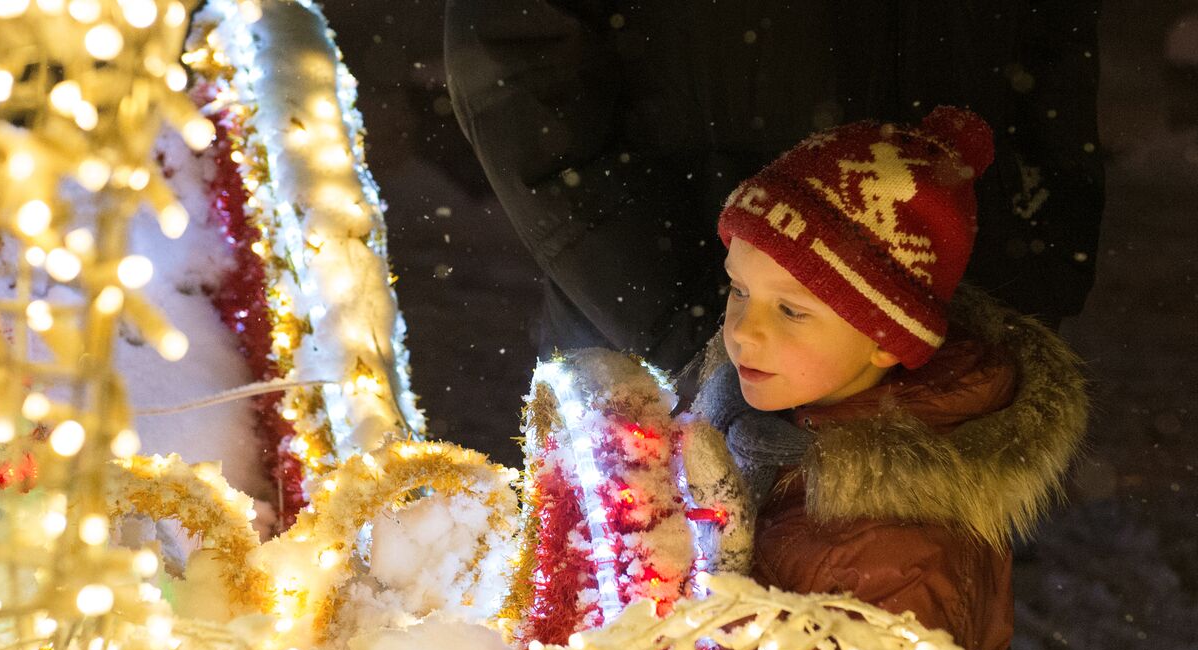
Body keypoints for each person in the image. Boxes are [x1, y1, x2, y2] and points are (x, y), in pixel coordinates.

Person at [444, 0, 1104, 377]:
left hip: (954, 338)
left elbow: (1055, 42)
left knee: (914, 579)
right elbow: (514, 47)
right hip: (663, 332)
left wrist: (1035, 263)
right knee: (665, 579)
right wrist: (673, 311)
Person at [689, 104, 1088, 650]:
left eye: (791, 310)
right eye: (740, 291)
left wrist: (682, 620)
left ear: (887, 338)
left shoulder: (899, 554)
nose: (742, 331)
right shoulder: (748, 425)